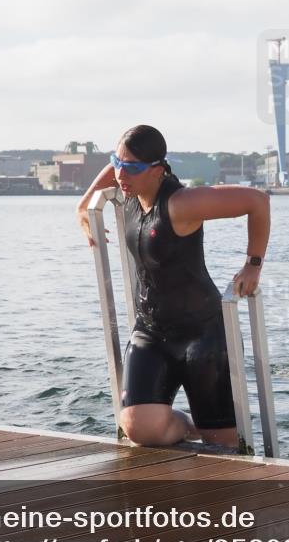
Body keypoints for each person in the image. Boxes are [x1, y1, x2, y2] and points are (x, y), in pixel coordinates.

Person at [76, 124, 271, 447]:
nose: (120, 174)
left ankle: (205, 430)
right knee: (138, 428)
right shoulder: (132, 191)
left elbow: (258, 201)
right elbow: (118, 167)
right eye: (118, 163)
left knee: (222, 445)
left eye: (131, 168)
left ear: (157, 170)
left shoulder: (182, 204)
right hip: (152, 332)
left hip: (202, 335)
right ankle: (185, 426)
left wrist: (253, 265)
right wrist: (83, 205)